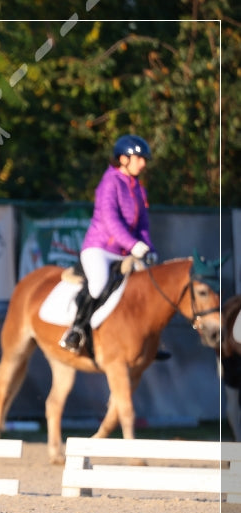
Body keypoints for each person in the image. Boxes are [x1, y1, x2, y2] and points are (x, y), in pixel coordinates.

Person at [60, 134, 157, 353]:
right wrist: (133, 244)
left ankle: (146, 340)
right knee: (99, 282)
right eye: (139, 158)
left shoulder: (139, 189)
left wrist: (150, 248)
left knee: (147, 286)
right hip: (100, 249)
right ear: (123, 159)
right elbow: (110, 219)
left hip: (126, 251)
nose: (143, 163)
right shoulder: (109, 182)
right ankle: (76, 330)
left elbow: (143, 225)